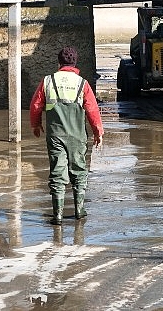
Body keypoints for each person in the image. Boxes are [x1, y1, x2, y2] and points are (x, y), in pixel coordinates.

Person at [29, 46, 104, 225]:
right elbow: (92, 109)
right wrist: (98, 132)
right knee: (79, 170)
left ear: (58, 63)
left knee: (57, 172)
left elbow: (36, 105)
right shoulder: (82, 83)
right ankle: (79, 210)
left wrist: (36, 124)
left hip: (55, 135)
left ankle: (58, 215)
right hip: (77, 136)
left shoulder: (47, 81)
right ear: (75, 63)